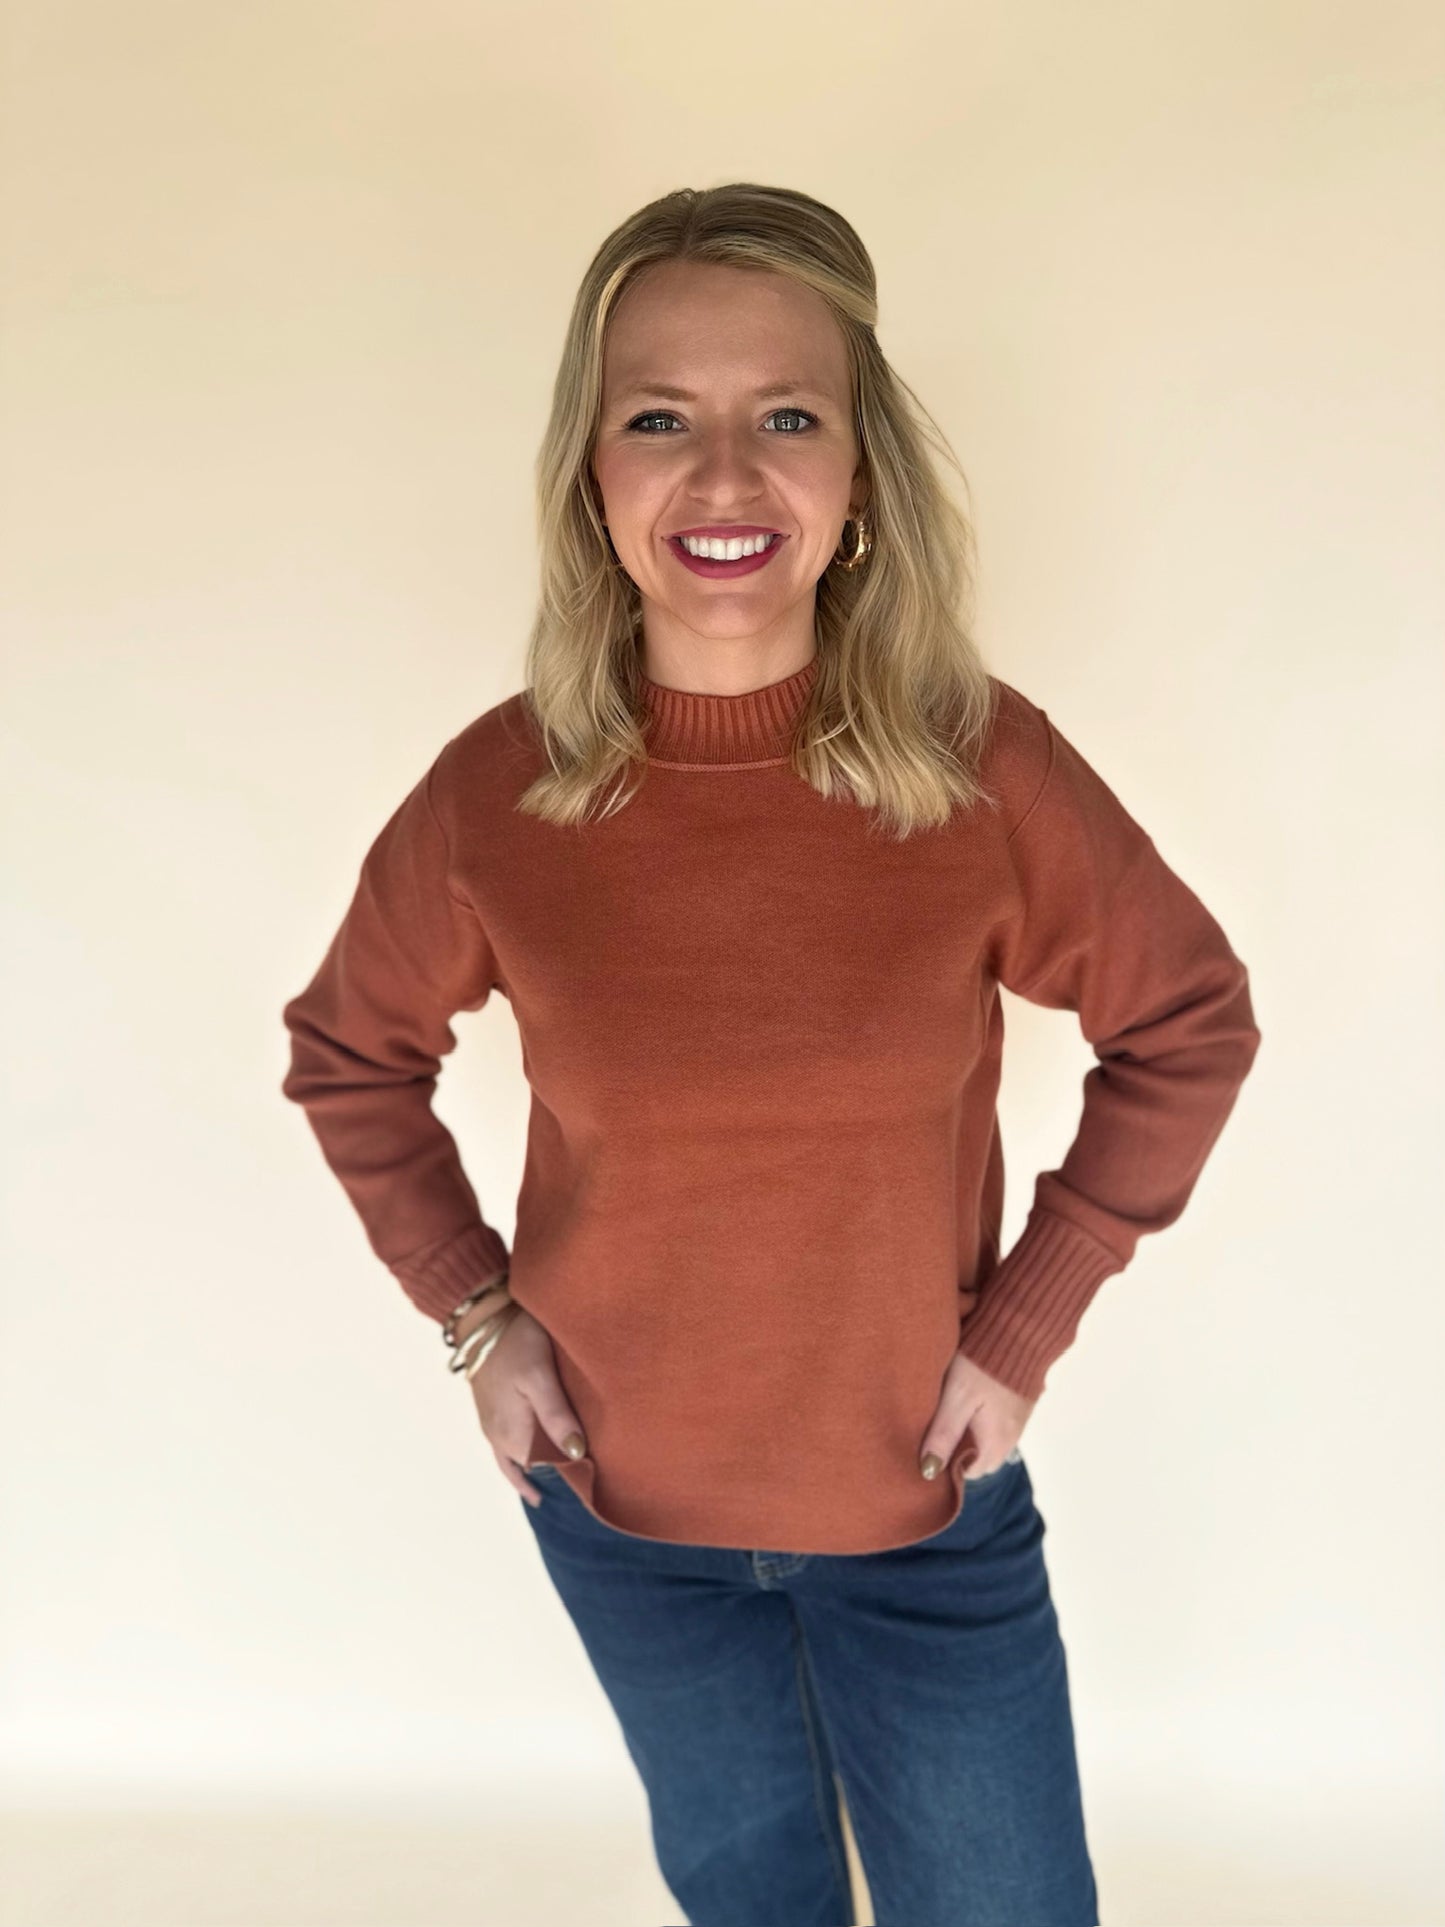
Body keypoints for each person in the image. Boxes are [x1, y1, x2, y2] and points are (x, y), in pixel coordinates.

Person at [281, 181, 1261, 1927]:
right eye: (659, 418)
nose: (722, 478)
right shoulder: (498, 797)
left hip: (919, 1524)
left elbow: (1185, 1019)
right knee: (754, 1905)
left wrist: (1026, 1319)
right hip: (620, 1521)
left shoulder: (976, 771)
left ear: (859, 470)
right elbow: (351, 1053)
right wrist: (474, 1319)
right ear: (591, 474)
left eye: (783, 418)